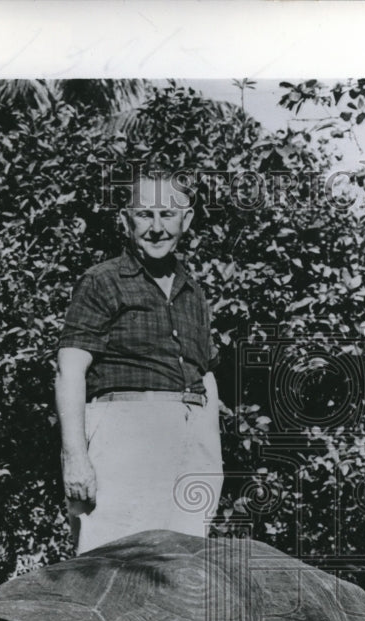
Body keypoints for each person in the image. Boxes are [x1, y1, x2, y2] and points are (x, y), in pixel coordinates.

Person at [55, 171, 223, 554]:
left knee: (182, 571)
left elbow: (206, 376)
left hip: (193, 439)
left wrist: (212, 458)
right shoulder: (102, 281)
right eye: (145, 215)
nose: (158, 227)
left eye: (168, 213)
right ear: (125, 221)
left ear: (187, 219)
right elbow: (70, 369)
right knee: (113, 563)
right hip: (125, 435)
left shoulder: (194, 292)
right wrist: (75, 458)